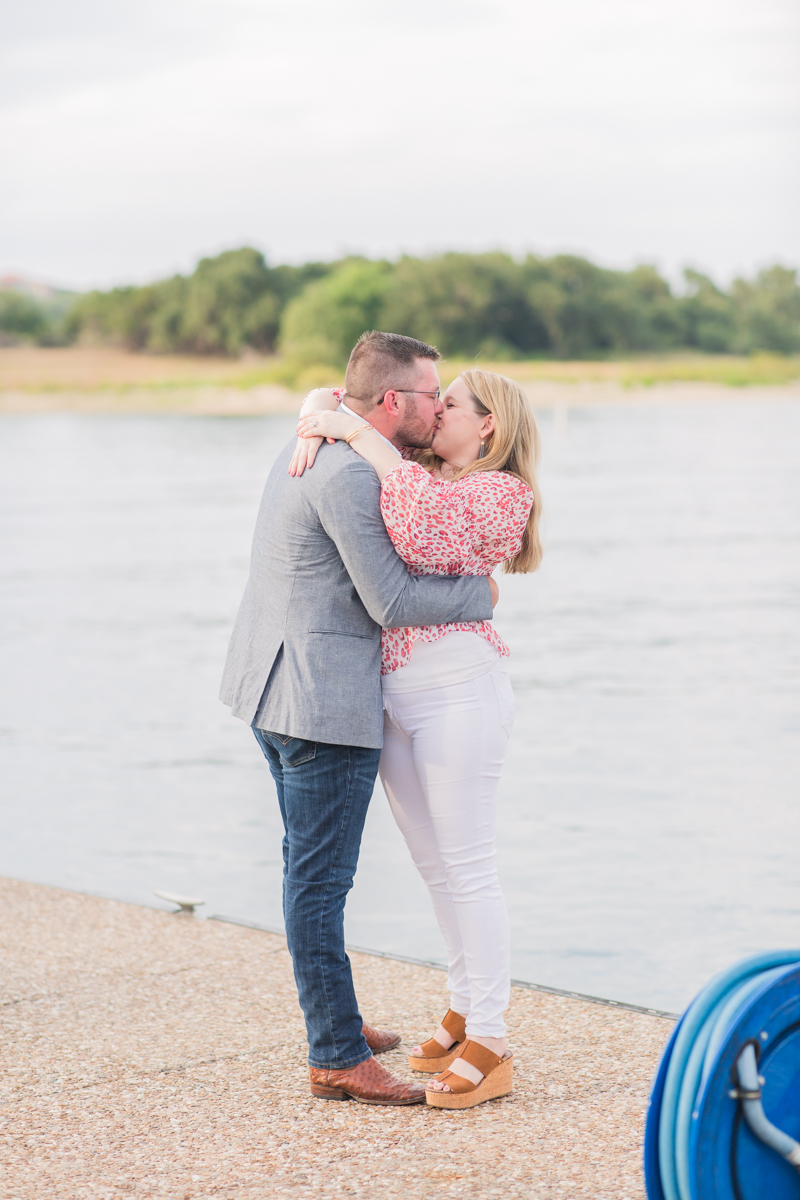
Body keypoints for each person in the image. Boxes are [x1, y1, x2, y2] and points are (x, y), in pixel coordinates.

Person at [220, 331, 497, 1106]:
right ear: (390, 403)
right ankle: (336, 1052)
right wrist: (483, 593)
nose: (438, 406)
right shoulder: (347, 475)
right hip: (321, 707)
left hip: (270, 686)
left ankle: (336, 1018)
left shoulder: (315, 435)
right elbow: (395, 601)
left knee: (305, 871)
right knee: (318, 881)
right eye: (429, 395)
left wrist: (319, 405)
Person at [294, 365, 543, 1109]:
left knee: (467, 863)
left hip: (459, 691)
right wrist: (320, 409)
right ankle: (465, 1003)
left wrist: (362, 438)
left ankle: (492, 1038)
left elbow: (424, 532)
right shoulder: (420, 471)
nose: (437, 414)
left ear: (488, 424)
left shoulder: (502, 491)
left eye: (454, 405)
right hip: (396, 694)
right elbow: (330, 401)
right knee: (434, 865)